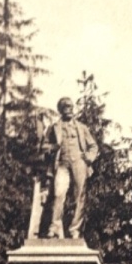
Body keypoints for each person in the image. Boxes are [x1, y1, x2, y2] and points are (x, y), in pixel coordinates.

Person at [44, 97, 99, 239]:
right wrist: (52, 147)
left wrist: (89, 157)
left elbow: (93, 146)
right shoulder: (54, 127)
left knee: (79, 196)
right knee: (59, 194)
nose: (69, 109)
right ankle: (55, 226)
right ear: (60, 109)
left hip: (79, 163)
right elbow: (44, 146)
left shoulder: (81, 127)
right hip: (61, 163)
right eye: (66, 106)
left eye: (71, 106)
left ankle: (75, 229)